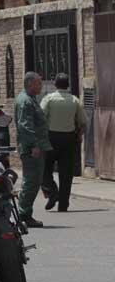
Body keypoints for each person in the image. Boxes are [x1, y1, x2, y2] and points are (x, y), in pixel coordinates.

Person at [40, 73, 87, 213]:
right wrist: (79, 135)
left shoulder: (48, 99)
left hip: (51, 137)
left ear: (55, 84)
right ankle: (63, 204)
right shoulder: (74, 100)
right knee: (66, 174)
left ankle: (52, 192)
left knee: (44, 169)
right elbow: (83, 122)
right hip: (69, 139)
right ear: (68, 85)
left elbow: (41, 118)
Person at [14, 72, 52, 228]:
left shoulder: (30, 99)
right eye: (38, 83)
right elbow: (25, 126)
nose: (40, 86)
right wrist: (34, 145)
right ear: (29, 84)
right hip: (31, 149)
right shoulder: (25, 101)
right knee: (31, 182)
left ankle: (25, 213)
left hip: (35, 146)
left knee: (34, 181)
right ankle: (23, 215)